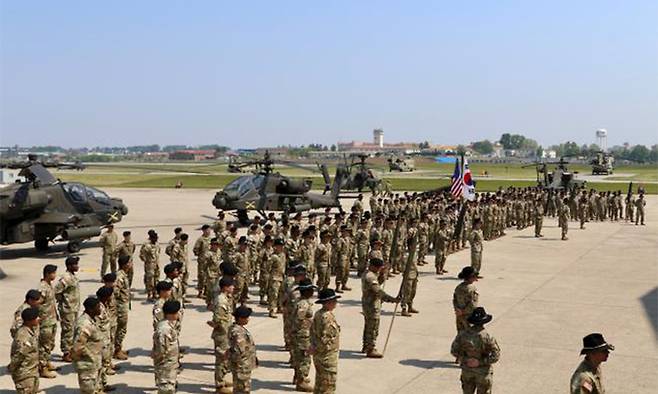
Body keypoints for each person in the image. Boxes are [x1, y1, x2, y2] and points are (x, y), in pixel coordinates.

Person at [450, 307, 501, 394]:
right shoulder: (487, 337)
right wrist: (480, 362)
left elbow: (454, 351)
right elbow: (496, 355)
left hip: (467, 371)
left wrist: (465, 360)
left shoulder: (463, 335)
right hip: (482, 374)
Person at [361, 257, 399, 358]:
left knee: (368, 326)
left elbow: (379, 281)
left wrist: (383, 274)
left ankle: (366, 345)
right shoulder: (370, 277)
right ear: (373, 266)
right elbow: (378, 292)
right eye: (378, 268)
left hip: (369, 304)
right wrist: (393, 299)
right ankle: (370, 348)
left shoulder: (370, 274)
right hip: (371, 305)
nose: (379, 270)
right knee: (373, 327)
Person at [309, 288, 341, 394]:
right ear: (328, 303)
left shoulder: (318, 314)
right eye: (334, 301)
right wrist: (318, 349)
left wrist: (313, 347)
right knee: (328, 387)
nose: (335, 303)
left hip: (319, 356)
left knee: (319, 385)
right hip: (327, 357)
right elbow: (326, 340)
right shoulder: (328, 317)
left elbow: (312, 332)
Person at [208, 277, 235, 393]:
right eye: (231, 286)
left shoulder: (226, 298)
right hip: (221, 333)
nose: (233, 288)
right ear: (225, 287)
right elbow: (218, 319)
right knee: (221, 358)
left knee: (225, 358)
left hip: (226, 331)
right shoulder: (220, 300)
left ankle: (222, 379)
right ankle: (219, 385)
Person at [72, 297, 104, 394]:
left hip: (94, 363)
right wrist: (91, 357)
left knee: (95, 388)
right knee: (88, 391)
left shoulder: (92, 319)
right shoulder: (84, 324)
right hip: (87, 364)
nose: (100, 309)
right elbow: (78, 346)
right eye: (98, 307)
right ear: (90, 309)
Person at [9, 307, 41, 393]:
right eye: (36, 318)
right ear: (29, 321)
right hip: (24, 375)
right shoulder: (23, 337)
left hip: (32, 371)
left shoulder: (31, 330)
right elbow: (18, 357)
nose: (39, 319)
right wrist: (13, 369)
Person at [55, 255, 81, 363]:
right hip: (67, 309)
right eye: (75, 264)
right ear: (69, 266)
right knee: (68, 331)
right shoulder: (66, 278)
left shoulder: (72, 276)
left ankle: (70, 350)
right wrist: (63, 302)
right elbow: (56, 291)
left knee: (73, 330)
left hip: (73, 308)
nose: (77, 266)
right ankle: (66, 353)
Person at [292, 278, 315, 392]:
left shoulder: (302, 301)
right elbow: (299, 320)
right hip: (302, 335)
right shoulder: (303, 304)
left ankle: (298, 377)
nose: (313, 292)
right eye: (311, 290)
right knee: (304, 358)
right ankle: (300, 382)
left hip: (302, 334)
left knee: (299, 357)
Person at [228, 305, 258, 394]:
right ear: (240, 318)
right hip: (242, 367)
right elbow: (239, 352)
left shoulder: (238, 329)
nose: (248, 319)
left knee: (241, 389)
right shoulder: (238, 333)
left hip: (244, 365)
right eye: (246, 317)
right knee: (242, 390)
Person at [153, 300, 181, 394]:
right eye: (177, 312)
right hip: (166, 366)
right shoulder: (165, 329)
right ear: (172, 314)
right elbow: (161, 350)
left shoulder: (168, 325)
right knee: (166, 389)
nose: (178, 314)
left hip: (170, 364)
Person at [38, 264, 59, 377]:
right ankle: (42, 368)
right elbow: (37, 304)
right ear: (47, 274)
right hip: (45, 321)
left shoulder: (49, 285)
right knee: (44, 345)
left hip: (52, 319)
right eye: (53, 273)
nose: (55, 275)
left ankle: (47, 362)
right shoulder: (42, 288)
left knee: (50, 344)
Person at [95, 286, 116, 391]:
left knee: (104, 365)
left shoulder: (104, 306)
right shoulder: (98, 309)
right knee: (100, 365)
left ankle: (103, 384)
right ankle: (98, 387)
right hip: (101, 341)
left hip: (105, 340)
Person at [114, 255, 132, 360]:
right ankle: (117, 350)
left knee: (122, 328)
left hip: (123, 305)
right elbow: (115, 293)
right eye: (129, 263)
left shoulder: (123, 275)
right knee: (121, 328)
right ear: (125, 264)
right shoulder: (119, 277)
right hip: (120, 307)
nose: (130, 265)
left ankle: (118, 347)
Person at [453, 267, 479, 333]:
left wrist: (457, 310)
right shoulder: (472, 289)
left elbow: (454, 300)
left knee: (460, 336)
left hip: (459, 316)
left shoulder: (458, 287)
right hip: (468, 317)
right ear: (471, 277)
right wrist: (463, 311)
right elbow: (473, 305)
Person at [268, 238, 287, 318]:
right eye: (279, 246)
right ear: (275, 247)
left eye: (282, 246)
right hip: (275, 277)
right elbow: (268, 267)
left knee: (281, 294)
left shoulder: (283, 255)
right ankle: (272, 310)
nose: (281, 247)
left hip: (282, 277)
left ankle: (280, 307)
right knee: (274, 294)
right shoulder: (273, 257)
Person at [140, 230, 161, 300]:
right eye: (155, 238)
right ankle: (150, 294)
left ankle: (155, 293)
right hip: (150, 265)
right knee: (150, 280)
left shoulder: (157, 244)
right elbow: (142, 254)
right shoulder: (147, 246)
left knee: (156, 279)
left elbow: (158, 252)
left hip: (156, 264)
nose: (156, 239)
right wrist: (146, 261)